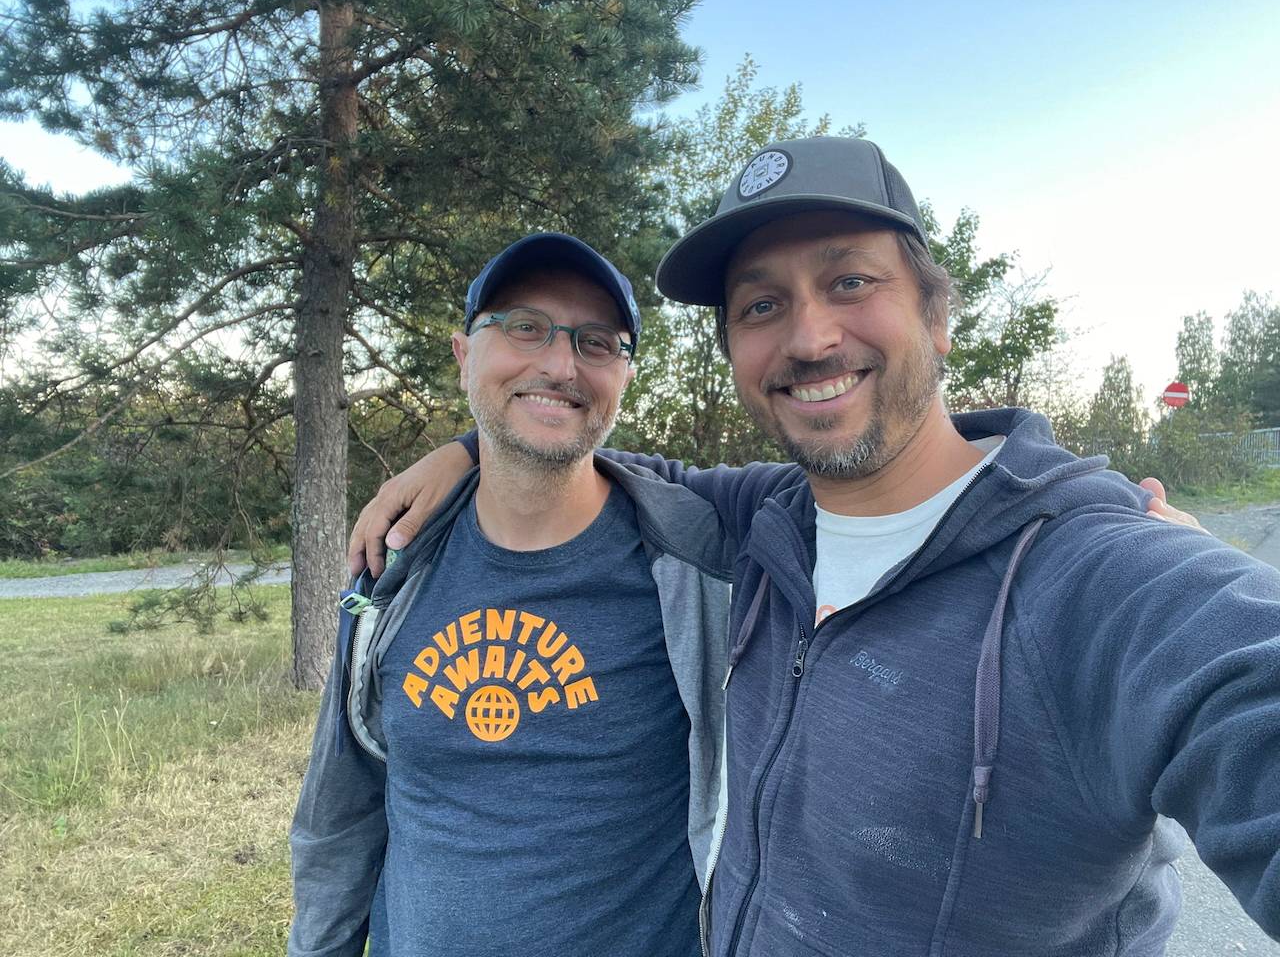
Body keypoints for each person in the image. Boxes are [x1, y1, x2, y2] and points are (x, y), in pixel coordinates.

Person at [348, 138, 1280, 955]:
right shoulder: (759, 520)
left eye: (850, 282)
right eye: (761, 305)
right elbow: (577, 451)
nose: (809, 336)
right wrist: (468, 448)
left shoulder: (1100, 578)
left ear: (938, 316)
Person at [289, 234, 735, 957]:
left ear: (624, 374)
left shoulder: (695, 556)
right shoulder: (395, 562)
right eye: (525, 327)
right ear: (464, 355)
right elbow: (341, 811)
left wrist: (467, 445)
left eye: (597, 342)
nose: (560, 364)